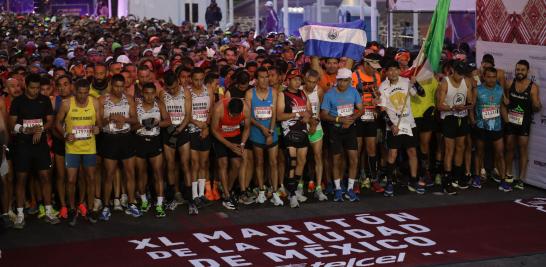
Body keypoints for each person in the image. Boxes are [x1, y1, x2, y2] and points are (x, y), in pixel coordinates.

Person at [10, 74, 60, 229]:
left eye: (38, 88)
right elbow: (12, 124)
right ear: (26, 85)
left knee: (45, 177)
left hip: (40, 145)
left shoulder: (44, 100)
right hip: (23, 145)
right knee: (21, 179)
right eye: (32, 88)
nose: (35, 91)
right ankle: (19, 214)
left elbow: (50, 121)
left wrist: (40, 129)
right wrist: (27, 129)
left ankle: (49, 211)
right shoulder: (18, 101)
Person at [55, 79, 101, 225]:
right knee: (71, 180)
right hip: (72, 148)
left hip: (89, 147)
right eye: (80, 93)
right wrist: (64, 134)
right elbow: (57, 122)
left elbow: (100, 122)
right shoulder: (67, 103)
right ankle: (72, 208)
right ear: (75, 91)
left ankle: (89, 208)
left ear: (89, 91)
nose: (82, 96)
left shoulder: (94, 102)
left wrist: (98, 128)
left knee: (90, 178)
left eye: (85, 93)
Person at [378, 61, 425, 196]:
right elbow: (382, 110)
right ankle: (389, 183)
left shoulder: (406, 81)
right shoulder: (383, 87)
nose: (393, 73)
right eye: (390, 70)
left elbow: (421, 94)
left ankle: (414, 180)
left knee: (412, 152)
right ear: (386, 72)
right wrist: (391, 125)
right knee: (392, 154)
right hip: (394, 126)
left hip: (409, 123)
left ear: (399, 71)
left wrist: (415, 83)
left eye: (395, 70)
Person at [98, 74, 140, 220]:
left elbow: (136, 120)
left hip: (126, 138)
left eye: (122, 86)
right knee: (109, 174)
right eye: (116, 86)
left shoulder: (128, 98)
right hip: (109, 139)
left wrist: (124, 119)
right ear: (111, 85)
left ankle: (132, 203)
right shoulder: (102, 99)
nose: (119, 89)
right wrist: (110, 118)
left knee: (130, 173)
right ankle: (105, 206)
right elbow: (98, 124)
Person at [320, 68, 363, 202]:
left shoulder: (354, 91)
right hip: (335, 129)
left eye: (346, 81)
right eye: (340, 80)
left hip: (350, 128)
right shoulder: (329, 94)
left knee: (354, 158)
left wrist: (351, 120)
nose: (343, 83)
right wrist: (340, 120)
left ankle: (350, 188)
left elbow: (361, 109)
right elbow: (323, 115)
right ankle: (338, 188)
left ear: (350, 81)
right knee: (336, 159)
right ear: (336, 80)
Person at [246, 66, 283, 206]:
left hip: (271, 133)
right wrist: (262, 128)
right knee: (259, 162)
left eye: (267, 77)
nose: (265, 80)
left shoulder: (273, 92)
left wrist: (271, 131)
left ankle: (274, 192)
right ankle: (261, 190)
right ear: (256, 79)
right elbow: (248, 116)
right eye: (261, 77)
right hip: (257, 133)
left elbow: (274, 114)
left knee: (273, 163)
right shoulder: (250, 94)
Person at [504, 60, 542, 190]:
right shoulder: (510, 83)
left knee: (523, 150)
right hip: (511, 121)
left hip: (524, 123)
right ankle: (508, 175)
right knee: (509, 147)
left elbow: (537, 107)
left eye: (522, 70)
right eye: (517, 70)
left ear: (527, 71)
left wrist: (536, 105)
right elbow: (505, 101)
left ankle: (521, 179)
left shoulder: (533, 87)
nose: (519, 72)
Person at [134, 82, 171, 217]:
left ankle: (160, 204)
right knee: (141, 173)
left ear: (155, 94)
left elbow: (168, 121)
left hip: (155, 141)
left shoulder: (159, 104)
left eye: (152, 94)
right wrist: (142, 124)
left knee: (158, 174)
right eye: (146, 93)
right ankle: (144, 201)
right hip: (140, 141)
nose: (149, 97)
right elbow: (131, 126)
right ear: (142, 93)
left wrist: (157, 123)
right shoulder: (136, 106)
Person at [436, 61, 473, 195]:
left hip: (462, 117)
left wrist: (467, 105)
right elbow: (439, 105)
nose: (460, 77)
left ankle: (457, 177)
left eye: (463, 74)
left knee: (461, 147)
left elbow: (470, 101)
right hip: (449, 118)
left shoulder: (466, 81)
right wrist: (453, 107)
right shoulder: (444, 83)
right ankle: (447, 180)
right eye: (459, 74)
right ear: (453, 71)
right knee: (449, 150)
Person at [277, 69, 312, 208]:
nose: (298, 82)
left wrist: (308, 116)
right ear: (288, 80)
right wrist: (298, 115)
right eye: (295, 79)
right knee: (292, 162)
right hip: (289, 131)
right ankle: (291, 194)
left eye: (299, 79)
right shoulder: (282, 94)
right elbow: (279, 116)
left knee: (302, 161)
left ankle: (294, 189)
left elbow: (308, 111)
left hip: (303, 131)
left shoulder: (303, 93)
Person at [470, 67, 509, 191]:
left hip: (496, 126)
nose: (491, 80)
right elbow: (471, 106)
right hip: (481, 126)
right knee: (479, 152)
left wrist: (507, 122)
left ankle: (503, 181)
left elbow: (502, 107)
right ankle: (476, 178)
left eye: (494, 77)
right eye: (489, 77)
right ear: (484, 77)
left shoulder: (500, 90)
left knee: (500, 154)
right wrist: (472, 120)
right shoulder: (477, 90)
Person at [210, 97, 251, 210]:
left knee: (237, 164)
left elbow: (247, 128)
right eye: (232, 115)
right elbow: (213, 130)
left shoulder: (246, 108)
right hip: (220, 136)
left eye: (236, 116)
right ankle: (227, 196)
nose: (233, 117)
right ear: (228, 108)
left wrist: (242, 144)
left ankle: (227, 189)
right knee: (223, 163)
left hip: (235, 135)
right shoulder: (219, 108)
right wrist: (229, 145)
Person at [160, 70, 192, 211]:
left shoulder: (185, 92)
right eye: (169, 88)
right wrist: (170, 129)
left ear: (178, 82)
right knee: (170, 164)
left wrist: (180, 129)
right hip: (168, 132)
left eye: (174, 87)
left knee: (185, 164)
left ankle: (190, 198)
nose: (172, 90)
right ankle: (173, 195)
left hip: (182, 130)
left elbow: (188, 115)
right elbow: (163, 115)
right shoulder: (162, 94)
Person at [353, 54, 384, 193]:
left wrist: (377, 101)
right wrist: (364, 103)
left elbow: (378, 94)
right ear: (365, 64)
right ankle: (355, 180)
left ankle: (373, 179)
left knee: (372, 149)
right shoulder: (355, 76)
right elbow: (350, 96)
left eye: (376, 68)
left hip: (371, 116)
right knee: (357, 150)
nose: (374, 70)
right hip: (358, 116)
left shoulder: (376, 76)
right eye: (372, 67)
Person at [188, 67, 215, 211]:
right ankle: (194, 195)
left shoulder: (208, 90)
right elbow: (186, 113)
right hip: (192, 130)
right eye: (195, 79)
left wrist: (206, 127)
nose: (198, 82)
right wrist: (197, 124)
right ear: (191, 79)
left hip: (205, 131)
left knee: (204, 163)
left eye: (201, 79)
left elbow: (211, 111)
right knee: (194, 164)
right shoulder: (187, 92)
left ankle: (201, 194)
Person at [302, 69, 328, 201]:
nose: (311, 85)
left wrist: (314, 124)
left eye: (314, 82)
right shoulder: (299, 91)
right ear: (304, 80)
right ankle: (300, 186)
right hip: (301, 130)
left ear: (317, 82)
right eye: (309, 81)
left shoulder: (319, 91)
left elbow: (320, 111)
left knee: (318, 157)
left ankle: (318, 187)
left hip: (316, 129)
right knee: (302, 160)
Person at [51, 75, 73, 220]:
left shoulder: (79, 99)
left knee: (76, 177)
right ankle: (63, 205)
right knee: (61, 176)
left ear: (71, 85)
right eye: (59, 85)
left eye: (65, 84)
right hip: (60, 141)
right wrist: (63, 137)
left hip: (77, 143)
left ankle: (75, 204)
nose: (62, 87)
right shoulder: (54, 101)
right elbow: (53, 126)